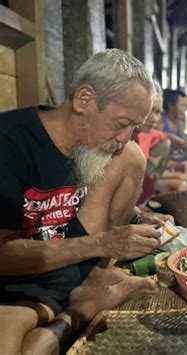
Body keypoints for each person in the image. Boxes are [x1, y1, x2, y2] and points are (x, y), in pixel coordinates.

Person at [0, 49, 173, 354]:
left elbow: (79, 199)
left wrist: (136, 218)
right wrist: (102, 244)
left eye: (133, 127)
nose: (124, 136)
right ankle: (82, 308)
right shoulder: (10, 142)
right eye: (121, 123)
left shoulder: (98, 145)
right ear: (84, 100)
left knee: (131, 156)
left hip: (67, 265)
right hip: (15, 276)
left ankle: (92, 281)